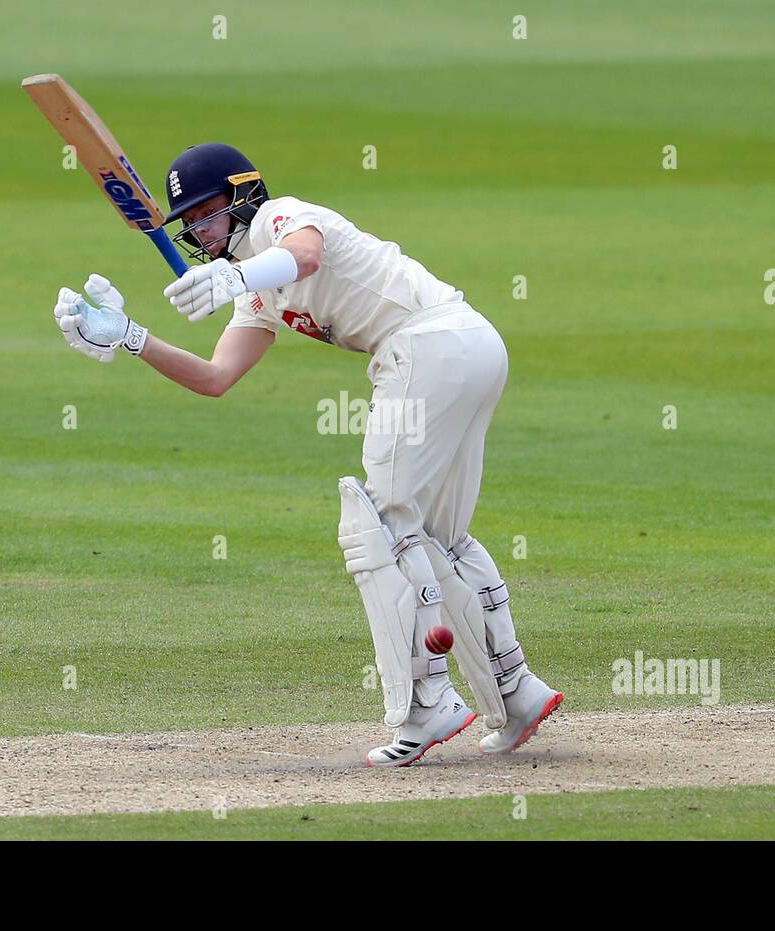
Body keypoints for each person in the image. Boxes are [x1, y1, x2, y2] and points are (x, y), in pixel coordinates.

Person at [52, 142, 562, 767]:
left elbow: (304, 255)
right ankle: (516, 692)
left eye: (208, 213)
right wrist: (131, 339)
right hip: (473, 347)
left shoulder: (280, 218)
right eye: (190, 222)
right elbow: (215, 376)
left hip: (427, 348)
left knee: (376, 528)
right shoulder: (256, 291)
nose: (200, 231)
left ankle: (427, 704)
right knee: (440, 537)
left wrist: (238, 274)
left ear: (242, 197)